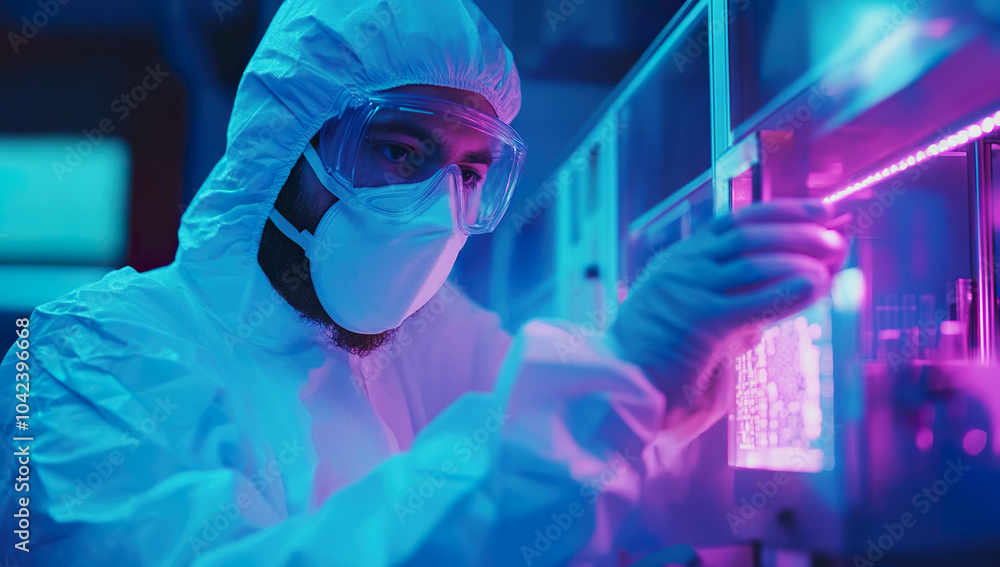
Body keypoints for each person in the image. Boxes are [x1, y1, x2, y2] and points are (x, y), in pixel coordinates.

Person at [0, 0, 847, 565]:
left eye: (471, 172)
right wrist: (616, 379)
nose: (440, 208)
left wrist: (659, 416)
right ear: (284, 147)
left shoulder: (437, 337)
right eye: (400, 150)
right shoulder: (87, 359)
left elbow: (550, 506)